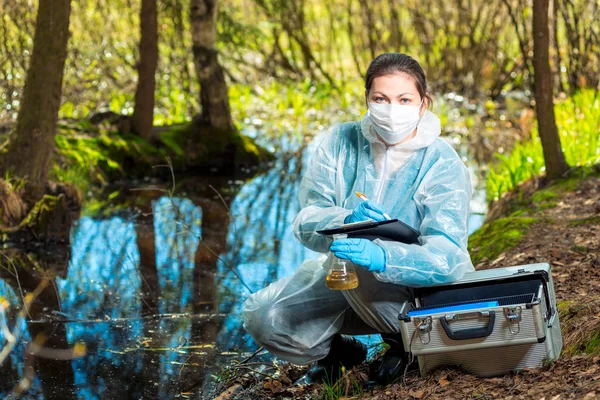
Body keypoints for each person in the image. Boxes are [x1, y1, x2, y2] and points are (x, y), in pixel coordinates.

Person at [243, 52, 474, 385]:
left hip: (415, 291)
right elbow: (307, 220)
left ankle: (405, 344)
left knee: (363, 266)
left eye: (404, 99)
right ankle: (339, 352)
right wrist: (345, 218)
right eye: (381, 98)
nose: (392, 109)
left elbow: (448, 255)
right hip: (344, 277)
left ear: (423, 104)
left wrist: (384, 256)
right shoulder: (340, 143)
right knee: (267, 316)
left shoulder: (441, 163)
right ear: (367, 99)